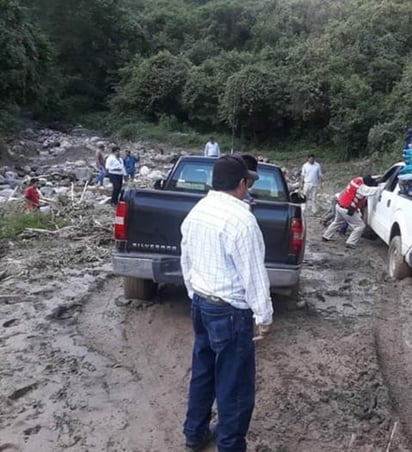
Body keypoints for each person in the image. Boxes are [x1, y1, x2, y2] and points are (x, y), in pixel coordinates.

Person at [181, 155, 273, 452]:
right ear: (242, 183)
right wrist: (264, 316)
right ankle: (230, 446)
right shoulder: (242, 220)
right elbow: (254, 274)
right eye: (248, 182)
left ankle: (194, 434)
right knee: (234, 386)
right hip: (230, 312)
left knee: (204, 371)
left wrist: (193, 294)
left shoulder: (197, 210)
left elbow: (186, 260)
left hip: (202, 305)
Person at [322, 175, 381, 249]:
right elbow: (371, 191)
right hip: (347, 209)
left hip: (340, 205)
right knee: (360, 226)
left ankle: (326, 236)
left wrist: (379, 177)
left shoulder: (356, 180)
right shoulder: (361, 188)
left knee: (337, 222)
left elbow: (370, 178)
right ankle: (350, 242)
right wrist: (381, 188)